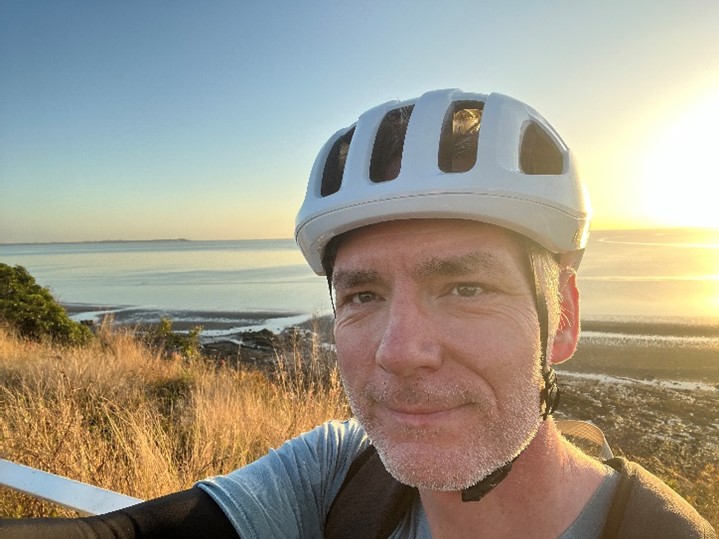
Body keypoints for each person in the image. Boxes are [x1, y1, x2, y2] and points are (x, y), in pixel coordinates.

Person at [1, 89, 714, 538]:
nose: (399, 351)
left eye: (464, 287)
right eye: (362, 296)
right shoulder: (340, 472)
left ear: (559, 318)